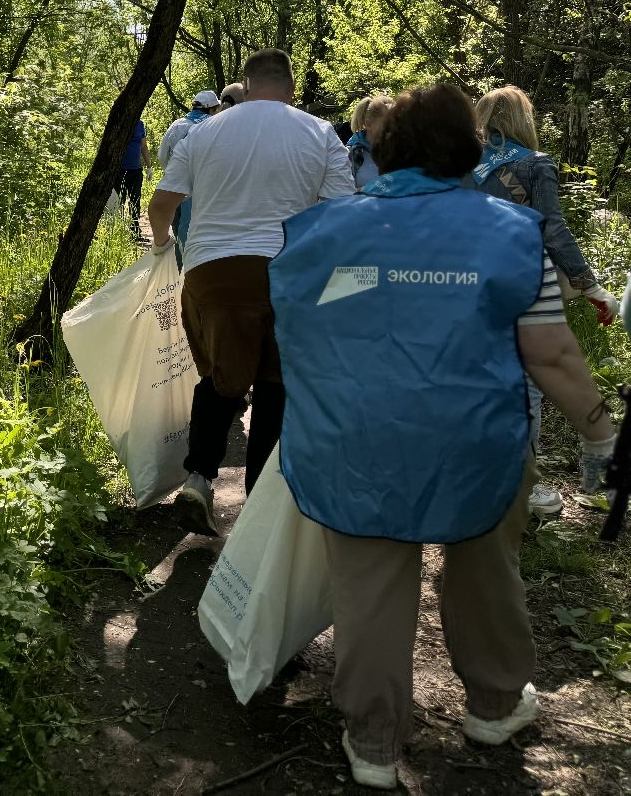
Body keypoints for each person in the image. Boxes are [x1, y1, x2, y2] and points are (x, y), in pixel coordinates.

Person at [268, 84, 617, 789]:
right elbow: (550, 354)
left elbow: (299, 333)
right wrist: (600, 433)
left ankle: (372, 743)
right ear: (469, 149)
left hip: (355, 440)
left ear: (384, 149)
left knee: (369, 589)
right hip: (477, 439)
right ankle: (492, 706)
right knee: (486, 569)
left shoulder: (319, 230)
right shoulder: (513, 233)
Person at [147, 49, 354, 535]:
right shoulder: (319, 132)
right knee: (277, 385)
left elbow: (161, 206)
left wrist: (163, 248)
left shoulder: (204, 132)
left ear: (245, 83)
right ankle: (260, 506)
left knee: (221, 378)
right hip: (290, 273)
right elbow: (345, 214)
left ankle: (198, 478)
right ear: (291, 88)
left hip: (214, 272)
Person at [474, 85, 619, 518]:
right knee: (528, 386)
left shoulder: (462, 166)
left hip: (463, 287)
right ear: (524, 121)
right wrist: (590, 286)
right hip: (522, 287)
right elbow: (551, 230)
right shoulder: (535, 165)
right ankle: (524, 486)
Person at [156, 90, 223, 261]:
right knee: (192, 233)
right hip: (201, 189)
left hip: (174, 187)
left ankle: (178, 271)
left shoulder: (177, 125)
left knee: (178, 229)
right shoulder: (215, 126)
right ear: (212, 108)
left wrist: (171, 174)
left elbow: (162, 155)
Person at [115, 114, 153, 236]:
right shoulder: (118, 122)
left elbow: (143, 147)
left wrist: (149, 167)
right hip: (119, 170)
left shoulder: (140, 124)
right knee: (119, 202)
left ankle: (135, 231)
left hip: (135, 170)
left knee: (135, 201)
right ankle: (118, 231)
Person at [346, 94, 393, 190]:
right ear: (368, 124)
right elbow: (338, 194)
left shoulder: (402, 153)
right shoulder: (351, 155)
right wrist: (369, 190)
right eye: (386, 126)